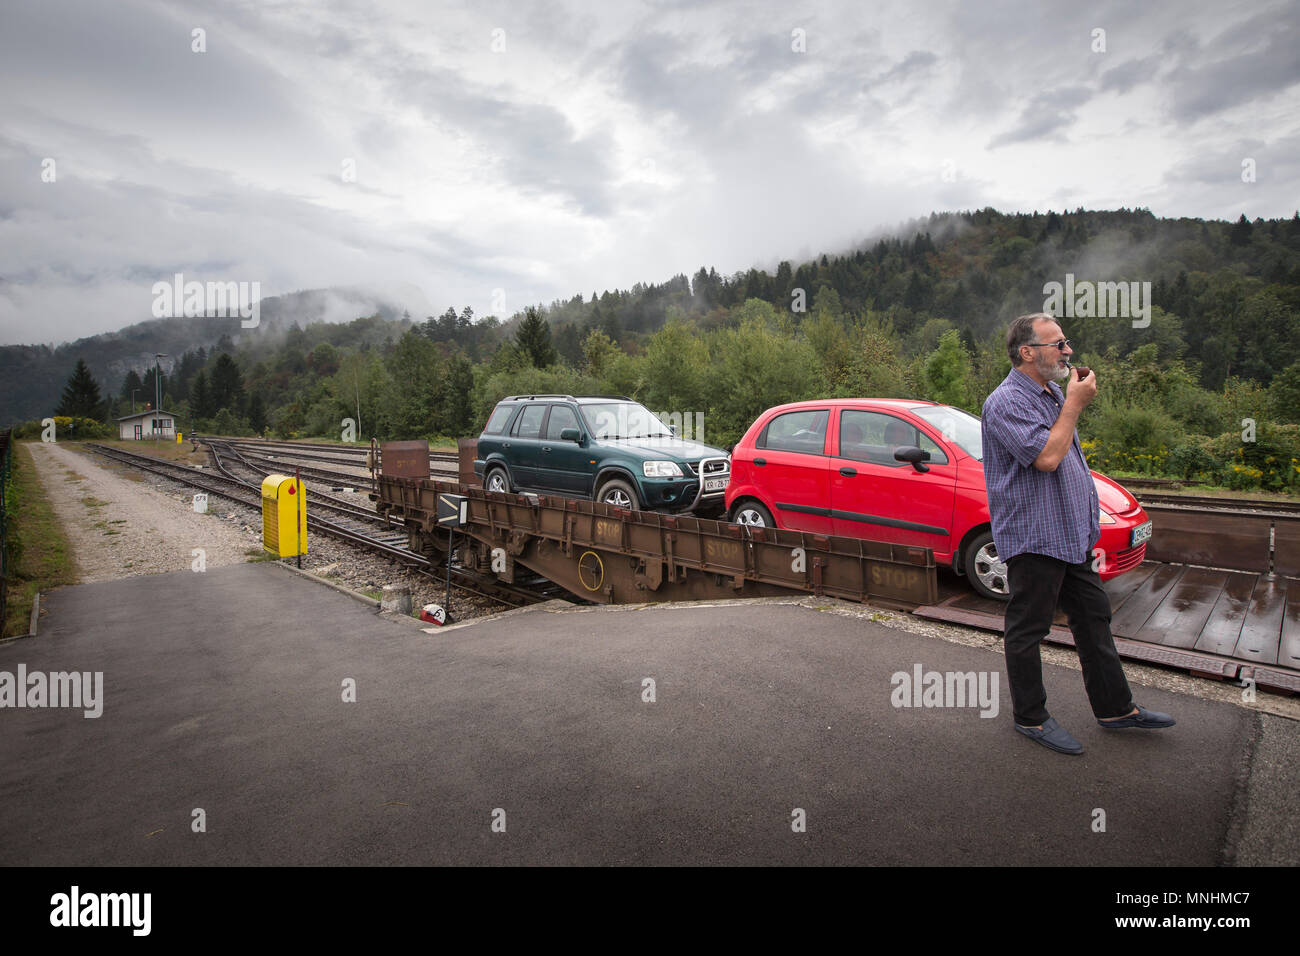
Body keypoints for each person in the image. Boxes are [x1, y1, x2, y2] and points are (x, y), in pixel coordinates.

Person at [981, 312, 1175, 755]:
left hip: (1069, 535)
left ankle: (1116, 709)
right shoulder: (1007, 401)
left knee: (1093, 619)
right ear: (1027, 352)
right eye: (1058, 344)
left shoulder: (1049, 393)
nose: (1068, 350)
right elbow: (1046, 458)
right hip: (1035, 536)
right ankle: (1030, 718)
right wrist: (1074, 405)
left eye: (1066, 342)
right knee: (1028, 628)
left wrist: (1066, 403)